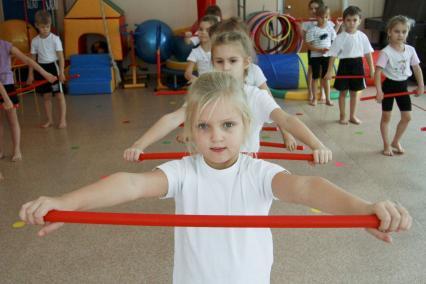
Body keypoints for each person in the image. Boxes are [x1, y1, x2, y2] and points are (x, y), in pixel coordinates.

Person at [20, 72, 412, 284]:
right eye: (203, 126)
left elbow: (307, 187)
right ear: (189, 131)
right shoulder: (184, 171)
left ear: (246, 126)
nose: (216, 136)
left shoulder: (258, 172)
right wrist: (67, 202)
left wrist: (362, 209)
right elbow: (131, 183)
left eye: (227, 124)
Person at [124, 31, 332, 162]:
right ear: (212, 62)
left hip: (245, 166)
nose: (225, 67)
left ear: (246, 62)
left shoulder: (255, 96)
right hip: (208, 164)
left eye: (232, 61)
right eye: (219, 61)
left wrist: (317, 145)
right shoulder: (204, 93)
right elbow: (173, 118)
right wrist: (139, 144)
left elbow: (286, 119)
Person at [375, 15, 424, 156]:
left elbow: (416, 68)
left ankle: (395, 141)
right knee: (386, 117)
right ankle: (386, 145)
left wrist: (421, 86)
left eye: (404, 31)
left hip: (403, 86)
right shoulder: (386, 52)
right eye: (397, 31)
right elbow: (377, 73)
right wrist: (379, 91)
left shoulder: (410, 50)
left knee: (407, 117)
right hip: (389, 86)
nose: (400, 35)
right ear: (389, 32)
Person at [0, 39, 56, 161]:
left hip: (7, 85)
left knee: (12, 121)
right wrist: (6, 99)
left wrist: (45, 74)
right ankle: (0, 151)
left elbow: (27, 60)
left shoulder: (6, 45)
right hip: (3, 90)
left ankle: (17, 150)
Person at [325, 6, 374, 125]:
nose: (351, 23)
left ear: (359, 21)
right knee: (343, 92)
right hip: (344, 66)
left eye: (354, 20)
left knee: (354, 92)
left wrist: (372, 69)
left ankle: (352, 116)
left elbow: (368, 54)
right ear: (344, 21)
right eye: (348, 20)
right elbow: (333, 56)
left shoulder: (362, 36)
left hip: (357, 65)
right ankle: (342, 115)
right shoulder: (340, 37)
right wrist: (329, 71)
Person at [209, 17, 271, 93]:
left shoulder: (254, 71)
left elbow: (268, 97)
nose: (226, 67)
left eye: (233, 60)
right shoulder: (214, 74)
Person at [27, 10, 67, 129]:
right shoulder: (35, 41)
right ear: (37, 25)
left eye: (48, 26)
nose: (45, 29)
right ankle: (50, 120)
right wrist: (30, 74)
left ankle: (63, 120)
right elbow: (32, 59)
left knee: (59, 96)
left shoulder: (55, 39)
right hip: (41, 69)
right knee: (46, 97)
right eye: (43, 27)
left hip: (53, 67)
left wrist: (61, 72)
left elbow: (60, 57)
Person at [300, 0, 342, 103]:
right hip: (314, 52)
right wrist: (299, 27)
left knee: (324, 75)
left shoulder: (328, 23)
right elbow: (305, 39)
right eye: (311, 8)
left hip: (325, 53)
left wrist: (338, 25)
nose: (313, 10)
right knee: (312, 71)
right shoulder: (307, 23)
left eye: (316, 8)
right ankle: (311, 92)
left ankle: (323, 93)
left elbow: (331, 36)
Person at [305, 5, 336, 106]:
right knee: (315, 78)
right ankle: (314, 98)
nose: (324, 19)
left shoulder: (330, 29)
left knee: (326, 78)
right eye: (322, 17)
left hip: (326, 57)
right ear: (317, 17)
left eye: (326, 17)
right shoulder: (312, 30)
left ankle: (328, 99)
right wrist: (319, 50)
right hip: (315, 57)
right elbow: (309, 45)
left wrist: (330, 50)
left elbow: (334, 42)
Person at [184, 15, 219, 84]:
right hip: (203, 86)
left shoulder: (219, 50)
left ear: (215, 33)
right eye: (201, 29)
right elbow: (187, 74)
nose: (203, 32)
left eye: (208, 30)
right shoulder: (195, 52)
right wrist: (198, 81)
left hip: (218, 85)